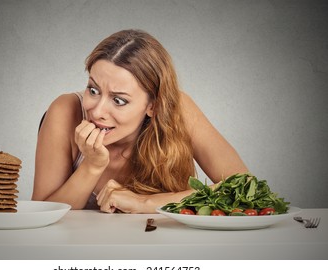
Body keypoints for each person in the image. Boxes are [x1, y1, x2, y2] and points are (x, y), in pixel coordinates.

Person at [32, 29, 248, 213]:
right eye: (94, 90)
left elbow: (244, 185)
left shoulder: (177, 109)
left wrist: (145, 203)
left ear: (153, 106)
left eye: (119, 100)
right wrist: (92, 165)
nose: (97, 111)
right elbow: (42, 214)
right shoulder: (65, 110)